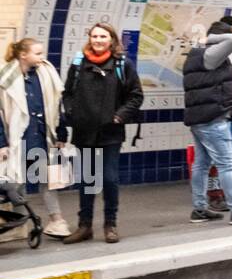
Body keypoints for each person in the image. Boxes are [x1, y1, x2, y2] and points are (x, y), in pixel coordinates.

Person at [58, 23, 143, 244]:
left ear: (111, 39)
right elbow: (67, 93)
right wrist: (71, 112)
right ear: (89, 38)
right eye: (94, 36)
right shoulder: (79, 64)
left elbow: (136, 96)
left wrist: (119, 116)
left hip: (110, 132)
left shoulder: (122, 64)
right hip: (84, 131)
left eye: (103, 36)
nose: (98, 40)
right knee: (87, 180)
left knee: (109, 179)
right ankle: (84, 226)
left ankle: (110, 224)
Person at [182, 21, 232, 225]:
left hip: (200, 119)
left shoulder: (195, 55)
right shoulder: (210, 54)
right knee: (227, 164)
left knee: (201, 165)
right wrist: (209, 38)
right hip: (213, 119)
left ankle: (199, 209)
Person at [0, 38, 71, 238]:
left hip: (42, 136)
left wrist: (61, 131)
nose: (42, 57)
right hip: (16, 139)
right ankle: (18, 225)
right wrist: (1, 144)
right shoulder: (5, 78)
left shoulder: (46, 74)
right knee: (16, 183)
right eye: (38, 53)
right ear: (23, 55)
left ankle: (57, 221)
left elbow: (57, 104)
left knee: (48, 180)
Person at [205, 14, 232, 210]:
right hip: (220, 110)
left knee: (228, 156)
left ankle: (225, 194)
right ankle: (214, 194)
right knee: (218, 156)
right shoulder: (211, 53)